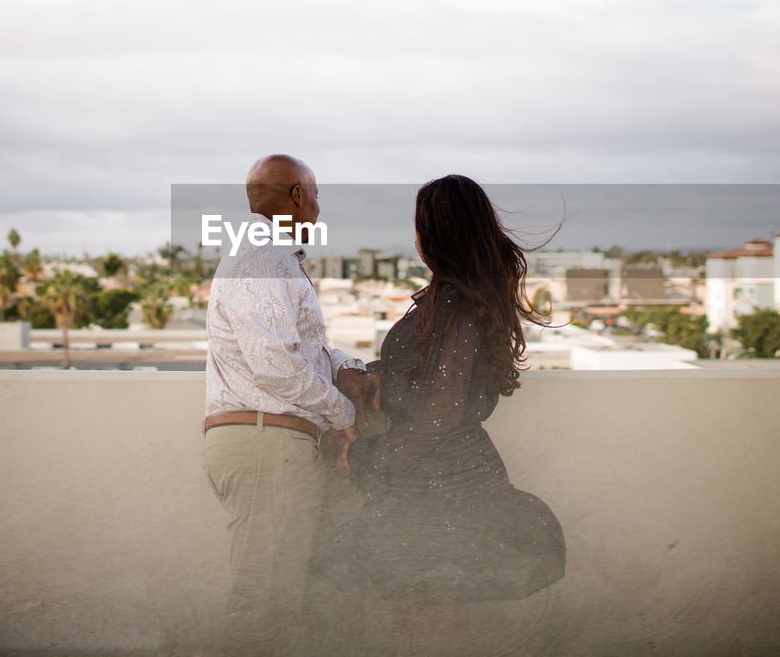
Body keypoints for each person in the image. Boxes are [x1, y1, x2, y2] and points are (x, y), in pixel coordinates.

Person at [320, 174, 566, 641]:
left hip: (442, 485)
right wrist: (376, 374)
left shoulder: (455, 307)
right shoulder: (455, 303)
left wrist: (363, 458)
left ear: (430, 236)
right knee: (420, 614)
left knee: (430, 619)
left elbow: (441, 413)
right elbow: (431, 378)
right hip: (440, 480)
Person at [202, 153, 374, 656]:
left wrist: (345, 365)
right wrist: (343, 416)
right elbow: (273, 364)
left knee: (277, 605)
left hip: (267, 444)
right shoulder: (261, 257)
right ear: (298, 196)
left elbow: (293, 351)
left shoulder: (266, 256)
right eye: (316, 195)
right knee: (261, 609)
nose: (318, 207)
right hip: (266, 445)